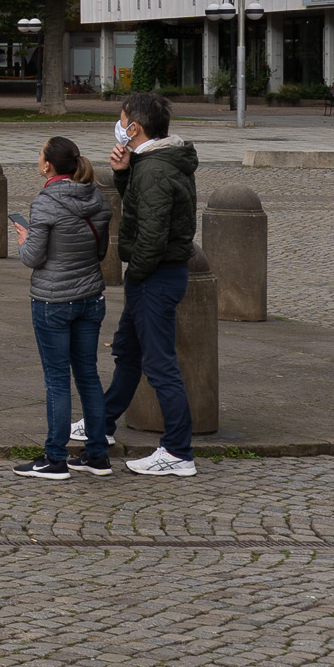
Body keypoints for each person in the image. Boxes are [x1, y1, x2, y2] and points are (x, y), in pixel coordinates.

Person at [100, 90, 200, 478]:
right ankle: (101, 423)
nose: (119, 126)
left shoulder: (156, 169)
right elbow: (144, 206)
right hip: (154, 274)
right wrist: (124, 173)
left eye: (123, 120)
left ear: (135, 128)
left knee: (159, 365)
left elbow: (153, 234)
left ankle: (177, 451)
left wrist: (137, 273)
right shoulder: (154, 161)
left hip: (155, 276)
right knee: (128, 351)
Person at [7, 134, 113, 480]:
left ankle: (55, 457)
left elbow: (32, 257)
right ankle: (97, 455)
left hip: (53, 300)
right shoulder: (97, 198)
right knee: (88, 375)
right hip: (90, 297)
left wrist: (24, 239)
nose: (38, 159)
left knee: (57, 379)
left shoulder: (46, 202)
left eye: (40, 155)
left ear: (48, 166)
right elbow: (100, 251)